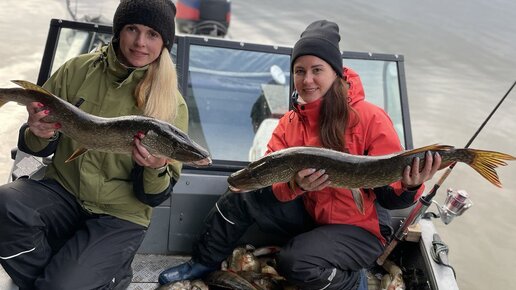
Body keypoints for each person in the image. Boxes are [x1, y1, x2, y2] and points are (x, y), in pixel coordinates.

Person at [159, 20, 441, 289]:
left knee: (294, 262)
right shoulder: (289, 123)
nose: (307, 80)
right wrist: (295, 186)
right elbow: (270, 181)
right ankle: (203, 262)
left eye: (317, 70)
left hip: (358, 227)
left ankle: (352, 282)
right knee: (242, 192)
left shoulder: (369, 118)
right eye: (299, 71)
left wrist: (412, 185)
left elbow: (391, 198)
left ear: (336, 72)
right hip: (312, 213)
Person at [0, 0, 186, 289]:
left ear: (164, 42)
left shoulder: (173, 104)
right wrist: (37, 132)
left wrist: (156, 167)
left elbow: (154, 196)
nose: (139, 42)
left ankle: (98, 277)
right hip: (64, 191)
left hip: (120, 214)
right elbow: (34, 148)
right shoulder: (76, 69)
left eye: (152, 34)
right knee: (4, 205)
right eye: (132, 29)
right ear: (118, 31)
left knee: (60, 285)